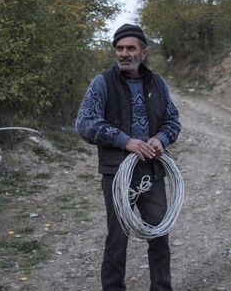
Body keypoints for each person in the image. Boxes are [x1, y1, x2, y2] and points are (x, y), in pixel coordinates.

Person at [76, 23, 182, 291]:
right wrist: (127, 142)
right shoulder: (102, 83)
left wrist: (160, 139)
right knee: (117, 238)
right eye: (120, 48)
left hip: (153, 172)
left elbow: (173, 121)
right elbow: (85, 123)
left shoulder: (157, 83)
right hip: (117, 174)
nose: (124, 53)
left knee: (159, 236)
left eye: (130, 48)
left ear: (142, 53)